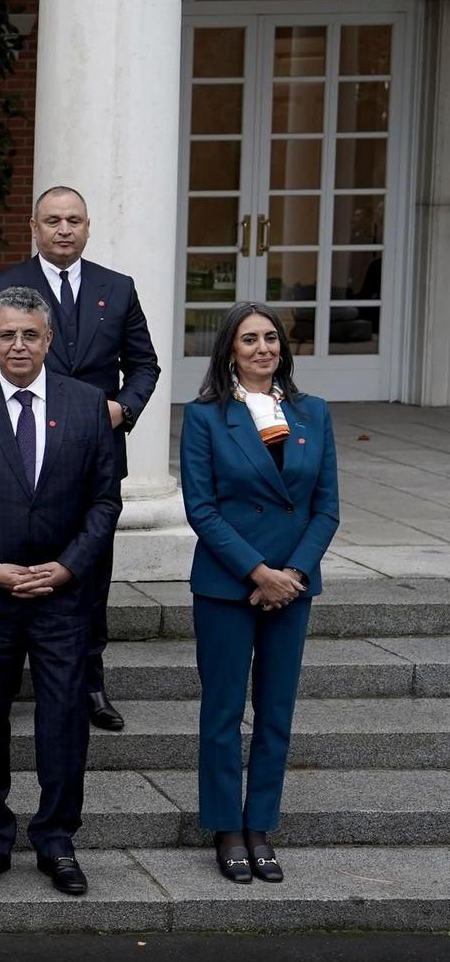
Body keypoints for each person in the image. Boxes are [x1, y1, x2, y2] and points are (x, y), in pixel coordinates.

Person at [0, 286, 121, 897]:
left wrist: (67, 567)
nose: (18, 345)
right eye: (7, 335)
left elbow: (105, 501)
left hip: (63, 597)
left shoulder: (88, 406)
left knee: (64, 721)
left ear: (48, 339)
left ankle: (57, 840)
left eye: (29, 334)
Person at [0, 186, 160, 734]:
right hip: (19, 455)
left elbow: (144, 365)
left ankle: (90, 681)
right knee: (17, 557)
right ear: (34, 227)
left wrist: (122, 409)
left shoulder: (117, 288)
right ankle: (6, 677)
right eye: (53, 220)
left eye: (74, 220)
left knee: (90, 570)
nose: (64, 229)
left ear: (88, 226)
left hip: (95, 455)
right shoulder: (2, 286)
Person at [181, 302, 339, 885]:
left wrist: (291, 574)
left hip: (292, 586)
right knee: (223, 712)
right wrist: (258, 572)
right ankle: (227, 828)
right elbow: (201, 508)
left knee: (276, 711)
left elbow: (326, 508)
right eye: (249, 339)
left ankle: (261, 826)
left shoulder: (313, 412)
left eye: (271, 338)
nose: (263, 348)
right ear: (230, 350)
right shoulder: (205, 417)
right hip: (228, 585)